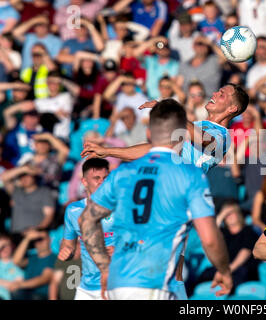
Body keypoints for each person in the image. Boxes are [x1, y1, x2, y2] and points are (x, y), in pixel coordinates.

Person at [79, 99, 233, 300]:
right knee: (174, 268)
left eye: (223, 93)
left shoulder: (123, 173)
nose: (216, 93)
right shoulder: (189, 178)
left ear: (150, 134)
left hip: (118, 280)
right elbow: (210, 239)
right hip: (153, 282)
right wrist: (224, 270)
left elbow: (86, 220)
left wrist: (103, 268)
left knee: (176, 266)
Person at [81, 83, 249, 173]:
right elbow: (153, 150)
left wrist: (169, 109)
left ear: (232, 108)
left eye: (222, 95)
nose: (214, 94)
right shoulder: (195, 126)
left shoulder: (223, 136)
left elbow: (204, 140)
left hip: (178, 201)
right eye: (217, 91)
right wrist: (109, 151)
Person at [58, 158, 114, 300]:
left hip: (115, 284)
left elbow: (142, 238)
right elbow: (69, 245)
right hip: (87, 287)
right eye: (96, 178)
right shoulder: (73, 210)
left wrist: (121, 248)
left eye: (105, 178)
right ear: (84, 182)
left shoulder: (122, 206)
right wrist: (67, 253)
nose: (102, 182)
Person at [197, 201, 259, 291]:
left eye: (231, 213)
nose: (228, 216)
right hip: (224, 269)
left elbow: (245, 253)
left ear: (238, 214)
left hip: (242, 269)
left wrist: (226, 271)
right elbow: (210, 233)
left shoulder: (248, 231)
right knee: (204, 276)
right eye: (226, 214)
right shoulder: (223, 233)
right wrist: (222, 214)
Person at [0, 165, 55, 238]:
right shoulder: (16, 192)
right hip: (15, 236)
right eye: (21, 176)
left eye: (27, 175)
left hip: (34, 235)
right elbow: (3, 178)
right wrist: (23, 169)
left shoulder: (44, 192)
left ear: (34, 177)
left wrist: (37, 230)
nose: (24, 178)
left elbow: (49, 215)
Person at [10, 229, 57, 300]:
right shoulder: (32, 257)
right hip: (26, 292)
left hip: (42, 295)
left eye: (42, 239)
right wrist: (27, 239)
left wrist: (20, 284)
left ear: (49, 239)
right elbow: (16, 261)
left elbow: (45, 278)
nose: (39, 242)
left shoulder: (53, 257)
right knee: (15, 293)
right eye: (36, 240)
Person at [0, 234, 24, 300]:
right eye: (2, 247)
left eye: (7, 245)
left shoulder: (17, 264)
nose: (4, 249)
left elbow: (16, 285)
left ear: (12, 246)